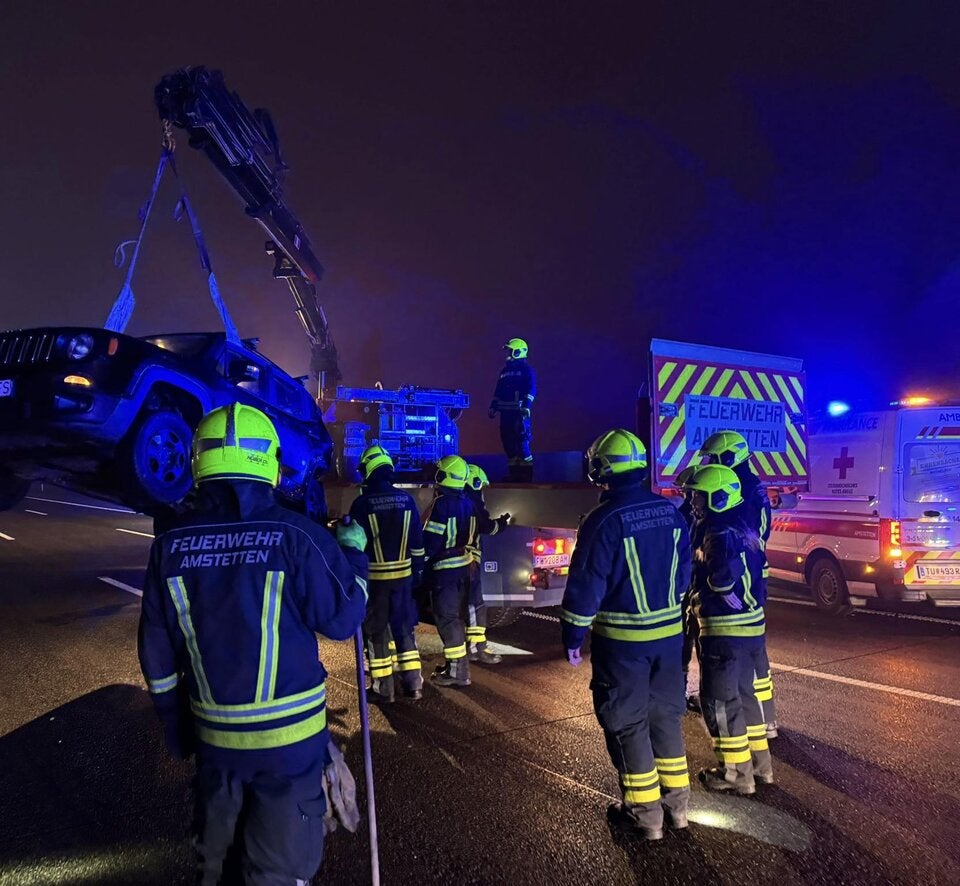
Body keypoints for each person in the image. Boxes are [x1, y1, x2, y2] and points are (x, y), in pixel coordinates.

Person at [138, 403, 369, 885]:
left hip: (215, 747)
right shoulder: (297, 536)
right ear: (270, 461)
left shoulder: (169, 547)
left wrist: (176, 729)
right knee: (277, 873)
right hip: (291, 752)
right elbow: (345, 618)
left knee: (217, 868)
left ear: (199, 460)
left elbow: (157, 654)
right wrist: (354, 555)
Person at [560, 429, 692, 840]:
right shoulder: (672, 512)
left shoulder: (603, 521)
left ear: (602, 469)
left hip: (623, 644)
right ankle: (678, 808)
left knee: (627, 723)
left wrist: (572, 635)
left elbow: (586, 585)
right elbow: (685, 574)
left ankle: (645, 815)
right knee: (665, 717)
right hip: (670, 640)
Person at [679, 463, 773, 795]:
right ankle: (762, 767)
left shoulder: (715, 533)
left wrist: (699, 565)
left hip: (724, 631)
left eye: (698, 497)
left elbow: (721, 581)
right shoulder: (746, 529)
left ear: (716, 497)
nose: (693, 503)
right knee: (746, 699)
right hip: (752, 630)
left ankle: (735, 775)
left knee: (719, 703)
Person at [698, 430, 777, 738]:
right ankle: (766, 719)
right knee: (756, 650)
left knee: (745, 655)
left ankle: (757, 719)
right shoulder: (753, 485)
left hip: (740, 575)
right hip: (755, 573)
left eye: (713, 459)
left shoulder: (736, 488)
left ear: (728, 458)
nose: (709, 464)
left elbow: (740, 534)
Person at [349, 444, 426, 703]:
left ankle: (384, 689)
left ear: (368, 471)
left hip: (375, 582)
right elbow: (417, 542)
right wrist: (417, 571)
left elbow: (354, 543)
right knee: (404, 629)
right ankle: (414, 685)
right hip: (403, 580)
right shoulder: (408, 501)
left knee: (377, 631)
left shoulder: (361, 504)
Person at [421, 454, 477, 687]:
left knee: (447, 620)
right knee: (455, 619)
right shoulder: (468, 502)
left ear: (444, 476)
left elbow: (431, 540)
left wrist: (419, 562)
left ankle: (458, 673)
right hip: (462, 567)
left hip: (445, 570)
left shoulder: (441, 504)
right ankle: (454, 667)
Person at [464, 463, 511, 664]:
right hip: (468, 563)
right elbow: (488, 527)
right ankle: (476, 648)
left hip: (453, 566)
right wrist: (502, 523)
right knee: (475, 605)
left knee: (462, 607)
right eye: (481, 486)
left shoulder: (450, 501)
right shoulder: (472, 503)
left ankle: (468, 650)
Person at [488, 337, 536, 482]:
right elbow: (498, 390)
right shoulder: (505, 371)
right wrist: (493, 406)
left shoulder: (526, 370)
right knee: (508, 443)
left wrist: (526, 406)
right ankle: (514, 474)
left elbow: (531, 388)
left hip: (519, 412)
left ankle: (526, 474)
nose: (508, 353)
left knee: (521, 442)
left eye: (511, 350)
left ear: (519, 352)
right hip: (506, 413)